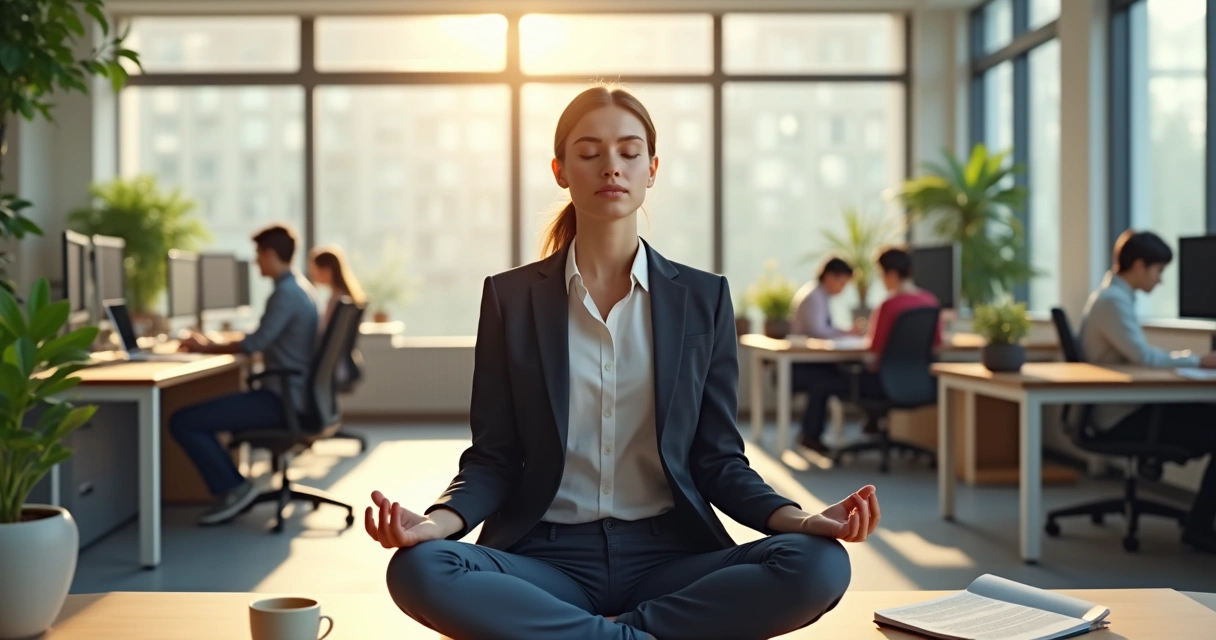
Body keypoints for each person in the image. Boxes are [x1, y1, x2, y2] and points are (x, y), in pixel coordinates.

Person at [363, 86, 878, 640]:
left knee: (819, 562)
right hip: (545, 556)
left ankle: (591, 634)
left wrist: (803, 520)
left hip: (670, 556)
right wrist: (437, 523)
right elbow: (494, 458)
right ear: (560, 170)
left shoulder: (704, 299)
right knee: (419, 567)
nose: (612, 166)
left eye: (630, 152)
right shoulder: (510, 299)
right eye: (590, 153)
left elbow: (719, 462)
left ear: (652, 169)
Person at [171, 223, 320, 526]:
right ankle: (233, 485)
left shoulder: (285, 294)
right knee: (193, 416)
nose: (255, 262)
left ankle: (235, 487)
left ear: (269, 253)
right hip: (294, 395)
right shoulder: (300, 288)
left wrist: (205, 346)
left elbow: (254, 345)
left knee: (183, 420)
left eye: (258, 254)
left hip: (280, 400)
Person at [1078, 229, 1216, 551]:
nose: (1161, 280)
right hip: (1122, 416)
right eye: (1159, 271)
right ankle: (1199, 526)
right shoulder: (1112, 301)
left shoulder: (1113, 297)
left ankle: (1200, 523)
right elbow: (1144, 357)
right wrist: (1200, 360)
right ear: (1139, 265)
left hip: (1123, 408)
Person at [793, 247, 940, 454]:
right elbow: (938, 342)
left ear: (891, 274)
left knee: (823, 382)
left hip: (881, 383)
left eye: (881, 275)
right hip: (919, 381)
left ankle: (811, 435)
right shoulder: (931, 302)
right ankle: (871, 425)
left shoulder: (888, 305)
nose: (881, 280)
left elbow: (873, 348)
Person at [308, 244, 366, 389]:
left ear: (327, 270)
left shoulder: (337, 300)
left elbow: (324, 335)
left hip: (332, 364)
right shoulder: (345, 298)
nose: (312, 274)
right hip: (339, 363)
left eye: (315, 269)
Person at [789, 257, 858, 339]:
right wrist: (845, 333)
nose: (843, 288)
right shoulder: (813, 297)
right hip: (804, 349)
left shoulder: (821, 294)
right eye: (842, 283)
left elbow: (824, 327)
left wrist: (846, 331)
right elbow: (817, 332)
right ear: (829, 276)